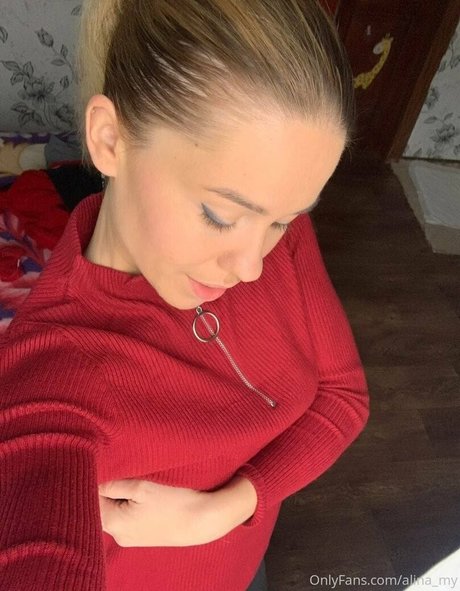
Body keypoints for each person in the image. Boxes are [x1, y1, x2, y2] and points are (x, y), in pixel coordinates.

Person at [0, 1, 369, 589]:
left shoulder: (271, 228)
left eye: (284, 219)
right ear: (110, 140)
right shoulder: (50, 382)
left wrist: (227, 509)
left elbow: (344, 398)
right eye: (220, 215)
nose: (251, 265)